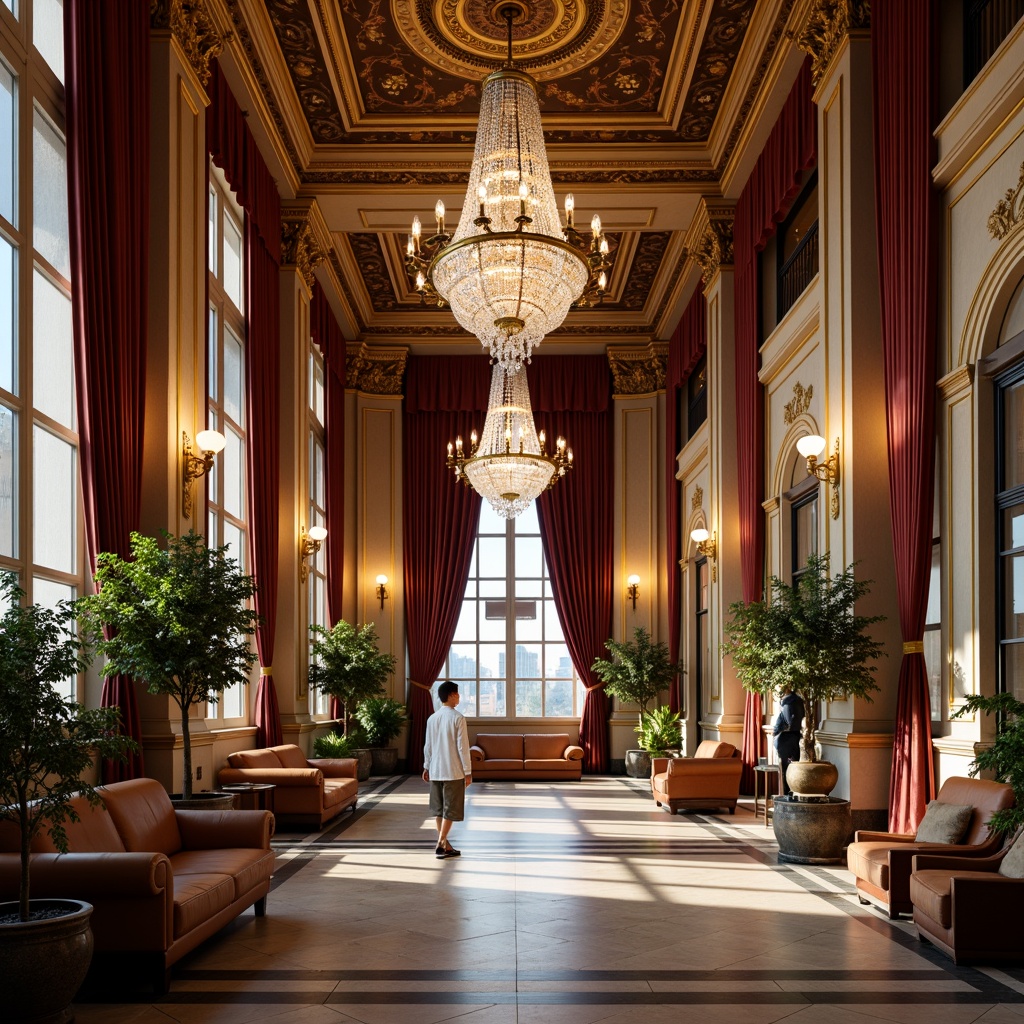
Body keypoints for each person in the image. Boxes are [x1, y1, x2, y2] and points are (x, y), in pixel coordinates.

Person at [422, 680, 472, 858]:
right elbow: (462, 748)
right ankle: (441, 842)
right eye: (457, 693)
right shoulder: (458, 718)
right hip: (453, 771)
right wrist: (467, 772)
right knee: (450, 809)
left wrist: (426, 766)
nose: (459, 696)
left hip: (436, 770)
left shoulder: (432, 718)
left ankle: (446, 844)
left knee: (439, 809)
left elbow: (428, 746)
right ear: (451, 695)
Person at [773, 685, 805, 795]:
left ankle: (788, 794)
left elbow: (786, 721)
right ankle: (793, 792)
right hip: (796, 736)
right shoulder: (799, 700)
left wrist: (776, 733)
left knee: (786, 769)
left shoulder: (787, 702)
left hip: (785, 738)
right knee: (795, 766)